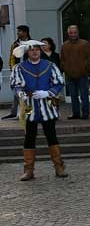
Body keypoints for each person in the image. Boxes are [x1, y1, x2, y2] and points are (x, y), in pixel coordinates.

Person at [12, 40, 68, 181]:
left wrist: (48, 93)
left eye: (37, 49)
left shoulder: (50, 65)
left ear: (40, 51)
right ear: (27, 52)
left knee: (51, 135)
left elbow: (59, 82)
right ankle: (29, 170)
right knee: (29, 137)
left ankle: (59, 166)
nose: (35, 52)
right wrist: (21, 94)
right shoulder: (19, 67)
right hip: (29, 105)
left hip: (47, 104)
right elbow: (16, 85)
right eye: (31, 50)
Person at [61, 25, 90, 120]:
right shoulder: (65, 45)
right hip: (70, 74)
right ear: (68, 33)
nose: (73, 34)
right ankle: (75, 113)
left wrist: (87, 70)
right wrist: (65, 69)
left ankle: (85, 113)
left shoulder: (85, 44)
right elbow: (62, 59)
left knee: (84, 95)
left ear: (78, 32)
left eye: (74, 32)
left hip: (82, 74)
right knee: (73, 95)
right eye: (71, 33)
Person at [3, 24, 31, 119]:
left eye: (20, 31)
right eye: (18, 31)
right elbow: (12, 57)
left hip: (28, 71)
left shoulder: (31, 43)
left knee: (26, 92)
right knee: (16, 91)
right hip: (17, 71)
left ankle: (26, 112)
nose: (18, 33)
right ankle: (14, 112)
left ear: (25, 32)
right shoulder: (15, 44)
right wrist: (12, 68)